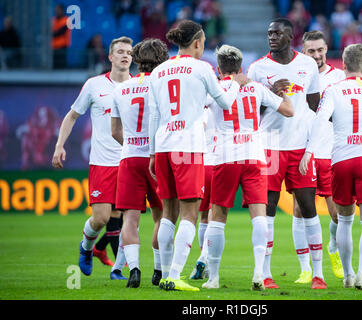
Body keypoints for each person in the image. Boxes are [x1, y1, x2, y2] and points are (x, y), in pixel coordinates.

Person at [147, 19, 249, 292]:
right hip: (189, 147)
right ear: (196, 43)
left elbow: (154, 114)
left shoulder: (160, 70)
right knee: (190, 214)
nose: (203, 47)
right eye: (203, 43)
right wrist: (236, 83)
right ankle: (175, 276)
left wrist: (152, 153)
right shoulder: (202, 68)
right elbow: (225, 102)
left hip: (164, 145)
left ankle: (166, 272)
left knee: (168, 212)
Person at [300, 44, 362, 291]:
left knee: (344, 221)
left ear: (343, 66)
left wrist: (309, 151)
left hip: (341, 159)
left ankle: (349, 275)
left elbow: (321, 121)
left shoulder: (333, 90)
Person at [201, 44, 294, 291]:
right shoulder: (256, 88)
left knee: (218, 217)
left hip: (224, 157)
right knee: (259, 215)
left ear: (219, 69)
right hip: (254, 156)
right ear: (240, 66)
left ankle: (213, 277)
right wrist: (283, 92)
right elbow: (289, 110)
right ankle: (258, 274)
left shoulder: (214, 89)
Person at [247, 18, 326, 290]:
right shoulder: (258, 68)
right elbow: (252, 111)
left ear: (290, 36)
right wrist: (270, 94)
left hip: (300, 147)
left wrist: (316, 140)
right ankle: (265, 273)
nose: (272, 37)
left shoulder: (307, 65)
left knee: (308, 209)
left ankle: (318, 274)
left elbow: (315, 104)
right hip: (269, 146)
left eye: (277, 33)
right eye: (269, 33)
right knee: (267, 211)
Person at [52, 36, 133, 279]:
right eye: (119, 51)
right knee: (101, 218)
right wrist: (59, 146)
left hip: (129, 161)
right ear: (110, 57)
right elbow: (72, 116)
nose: (125, 55)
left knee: (129, 217)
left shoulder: (139, 86)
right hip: (102, 162)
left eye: (128, 52)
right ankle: (86, 248)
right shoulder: (94, 85)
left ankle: (119, 269)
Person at [111, 38, 169, 288]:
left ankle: (134, 270)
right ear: (161, 60)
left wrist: (133, 144)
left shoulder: (121, 88)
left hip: (129, 157)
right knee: (162, 216)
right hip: (156, 157)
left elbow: (115, 131)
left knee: (129, 219)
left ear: (136, 59)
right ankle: (158, 269)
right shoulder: (162, 85)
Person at [291, 30, 346, 284]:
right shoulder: (297, 74)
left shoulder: (339, 77)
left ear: (326, 50)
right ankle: (304, 269)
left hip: (332, 151)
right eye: (311, 51)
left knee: (337, 214)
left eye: (320, 50)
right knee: (300, 210)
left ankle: (333, 246)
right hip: (304, 150)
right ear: (304, 52)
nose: (316, 55)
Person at [189, 107, 215, 281]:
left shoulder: (200, 107)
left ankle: (205, 264)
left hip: (202, 164)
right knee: (216, 216)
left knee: (203, 217)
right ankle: (204, 257)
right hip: (221, 162)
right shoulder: (224, 103)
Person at [52, 4, 71, 69]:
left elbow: (59, 32)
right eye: (56, 10)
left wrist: (51, 34)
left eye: (58, 10)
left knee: (61, 66)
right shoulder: (53, 20)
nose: (56, 11)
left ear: (62, 11)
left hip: (62, 47)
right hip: (53, 47)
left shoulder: (67, 20)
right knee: (54, 66)